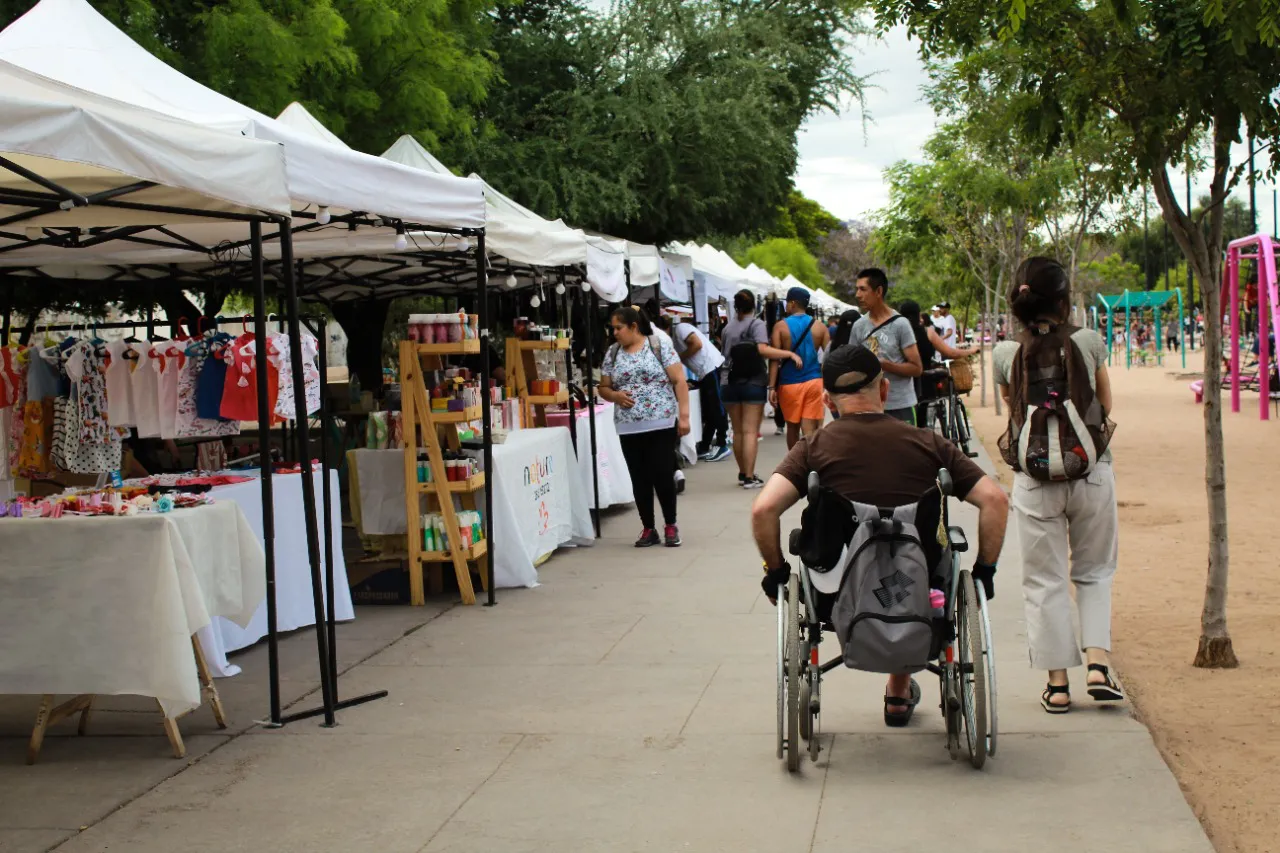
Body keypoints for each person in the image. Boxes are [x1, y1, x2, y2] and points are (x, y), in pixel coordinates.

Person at [752, 344, 1009, 725]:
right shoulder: (929, 444)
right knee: (907, 561)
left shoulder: (814, 448)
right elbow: (994, 501)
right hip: (918, 590)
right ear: (884, 390)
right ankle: (899, 690)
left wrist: (774, 572)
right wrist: (985, 571)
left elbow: (763, 509)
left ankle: (893, 687)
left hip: (835, 592)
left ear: (827, 401)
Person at [993, 256, 1122, 713]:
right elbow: (1104, 404)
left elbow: (1012, 409)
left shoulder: (1005, 353)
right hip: (1091, 470)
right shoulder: (1088, 341)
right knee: (1094, 571)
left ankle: (1057, 684)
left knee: (1043, 580)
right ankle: (1098, 664)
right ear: (1064, 300)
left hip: (1034, 478)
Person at [600, 306, 691, 547]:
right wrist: (615, 396)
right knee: (638, 478)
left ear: (633, 326)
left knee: (662, 474)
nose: (615, 332)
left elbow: (679, 380)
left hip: (660, 422)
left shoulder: (657, 345)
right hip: (628, 427)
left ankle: (671, 524)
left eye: (619, 328)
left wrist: (684, 416)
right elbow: (603, 387)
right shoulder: (613, 353)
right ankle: (648, 527)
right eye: (613, 328)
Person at [720, 289, 804, 488]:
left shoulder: (727, 328)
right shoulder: (757, 324)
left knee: (738, 431)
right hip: (752, 382)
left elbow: (724, 354)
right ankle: (749, 476)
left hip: (728, 381)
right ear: (753, 306)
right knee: (750, 431)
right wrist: (788, 354)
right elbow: (762, 349)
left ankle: (742, 473)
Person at [847, 268, 923, 423]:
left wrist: (883, 364)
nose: (857, 295)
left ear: (878, 291)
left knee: (903, 448)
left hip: (900, 407)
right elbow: (851, 365)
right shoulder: (858, 326)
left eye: (863, 289)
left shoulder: (901, 325)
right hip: (868, 408)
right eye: (857, 289)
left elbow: (916, 369)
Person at [654, 315, 730, 462]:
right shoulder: (671, 341)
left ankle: (722, 443)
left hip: (711, 367)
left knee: (716, 408)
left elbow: (697, 344)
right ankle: (705, 446)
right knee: (709, 411)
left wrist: (679, 357)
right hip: (704, 373)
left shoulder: (681, 329)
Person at [899, 300, 979, 427]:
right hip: (924, 382)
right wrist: (971, 351)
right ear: (918, 315)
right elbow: (950, 353)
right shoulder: (927, 332)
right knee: (923, 418)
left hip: (902, 384)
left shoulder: (897, 334)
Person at [769, 286, 830, 448]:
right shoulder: (820, 327)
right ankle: (812, 466)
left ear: (793, 303)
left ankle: (795, 466)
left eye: (787, 303)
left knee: (792, 428)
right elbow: (829, 358)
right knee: (811, 428)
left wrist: (771, 387)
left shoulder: (780, 327)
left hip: (789, 383)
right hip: (814, 381)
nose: (786, 306)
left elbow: (774, 359)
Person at [763, 292, 786, 436]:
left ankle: (780, 424)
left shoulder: (778, 327)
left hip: (780, 366)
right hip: (783, 366)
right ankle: (781, 423)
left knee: (779, 395)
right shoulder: (781, 325)